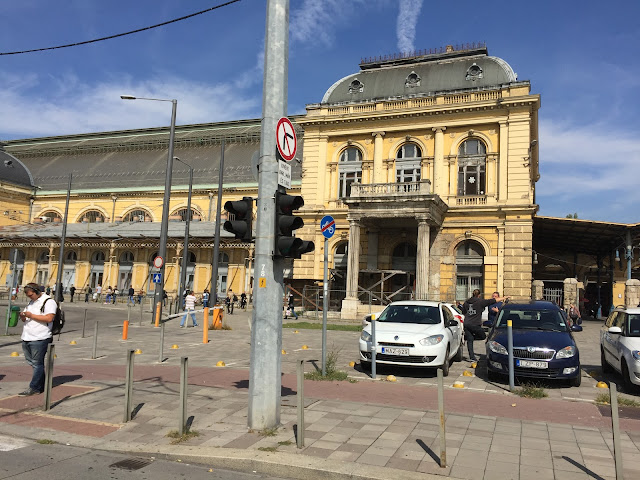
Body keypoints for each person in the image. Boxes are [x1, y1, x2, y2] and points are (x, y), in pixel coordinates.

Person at [18, 283, 56, 396]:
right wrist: (23, 316)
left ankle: (34, 387)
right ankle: (41, 384)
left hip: (40, 337)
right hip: (27, 336)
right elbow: (26, 319)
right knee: (31, 362)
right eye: (28, 296)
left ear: (38, 292)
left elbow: (49, 318)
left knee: (37, 363)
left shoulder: (48, 302)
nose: (30, 297)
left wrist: (31, 315)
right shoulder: (31, 302)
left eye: (31, 295)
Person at [462, 289, 508, 362]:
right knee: (483, 336)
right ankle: (471, 352)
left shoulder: (466, 302)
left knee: (470, 340)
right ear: (479, 295)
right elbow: (493, 301)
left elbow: (463, 312)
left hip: (467, 323)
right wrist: (504, 297)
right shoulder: (480, 302)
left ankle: (472, 357)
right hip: (475, 324)